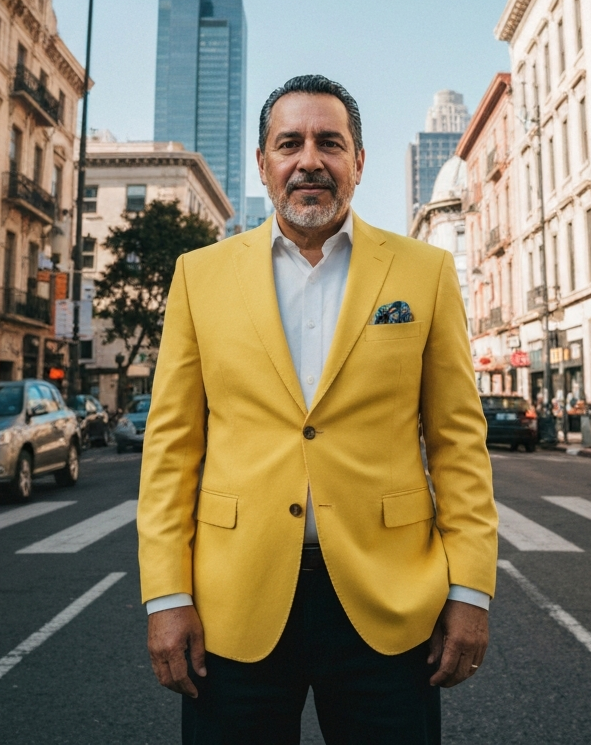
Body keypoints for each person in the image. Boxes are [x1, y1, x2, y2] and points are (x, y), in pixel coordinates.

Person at [138, 75, 497, 744]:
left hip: (387, 600)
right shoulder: (200, 276)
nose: (310, 159)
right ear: (264, 164)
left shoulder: (424, 273)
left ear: (358, 161)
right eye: (289, 143)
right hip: (233, 604)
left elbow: (457, 444)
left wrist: (471, 590)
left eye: (330, 142)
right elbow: (171, 451)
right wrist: (166, 595)